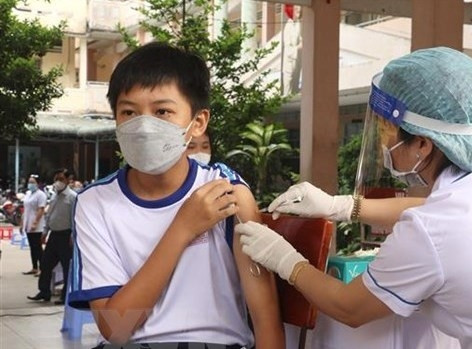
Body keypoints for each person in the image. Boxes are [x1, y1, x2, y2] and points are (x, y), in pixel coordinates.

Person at [236, 47, 472, 348]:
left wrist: (286, 260)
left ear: (422, 142)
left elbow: (348, 307)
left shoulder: (435, 234)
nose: (383, 142)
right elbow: (436, 212)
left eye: (388, 131)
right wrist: (342, 206)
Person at [68, 42, 284, 348]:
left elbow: (266, 321)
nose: (143, 127)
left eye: (162, 111)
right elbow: (115, 330)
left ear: (198, 123)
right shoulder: (95, 203)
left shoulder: (228, 194)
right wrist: (183, 228)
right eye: (128, 111)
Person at [28, 168, 77, 304]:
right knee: (45, 264)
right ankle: (44, 292)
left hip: (66, 235)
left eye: (61, 179)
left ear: (68, 180)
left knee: (67, 267)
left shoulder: (72, 197)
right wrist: (45, 232)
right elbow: (49, 216)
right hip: (54, 235)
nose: (58, 182)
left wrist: (73, 235)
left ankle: (65, 296)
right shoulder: (55, 196)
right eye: (56, 179)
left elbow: (75, 218)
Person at [21, 174, 46, 276]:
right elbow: (25, 210)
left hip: (37, 225)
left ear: (38, 183)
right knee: (32, 247)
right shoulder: (28, 194)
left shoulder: (41, 195)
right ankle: (34, 267)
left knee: (38, 247)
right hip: (27, 223)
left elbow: (41, 209)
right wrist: (22, 223)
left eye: (32, 182)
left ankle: (42, 268)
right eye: (29, 182)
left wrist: (35, 223)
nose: (30, 184)